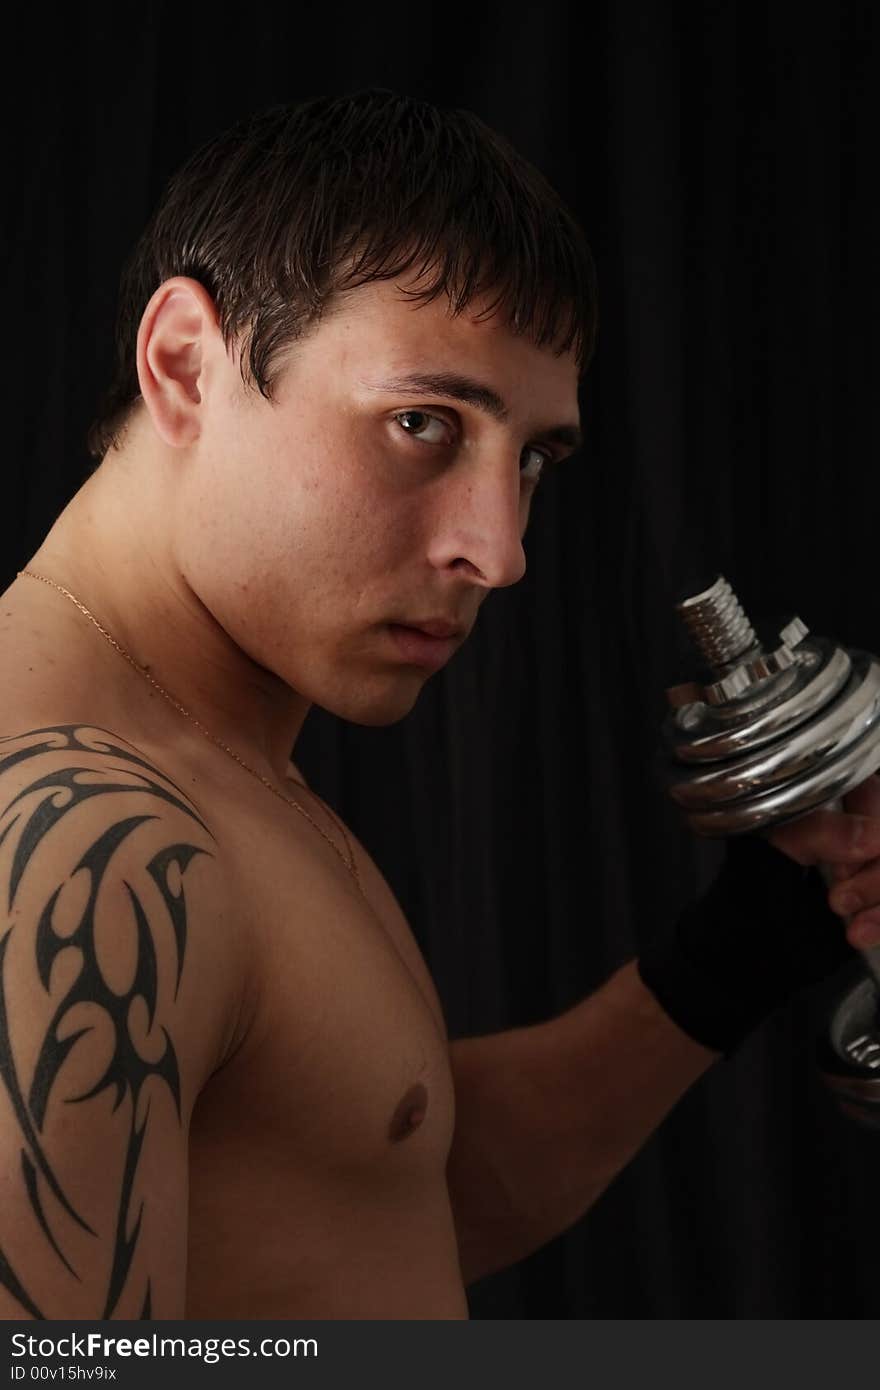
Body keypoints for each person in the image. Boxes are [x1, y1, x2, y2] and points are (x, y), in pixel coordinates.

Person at [2, 88, 879, 1322]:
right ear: (186, 364)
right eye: (421, 422)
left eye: (528, 458)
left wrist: (736, 953)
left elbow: (383, 1191)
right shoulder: (84, 838)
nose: (499, 549)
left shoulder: (205, 759)